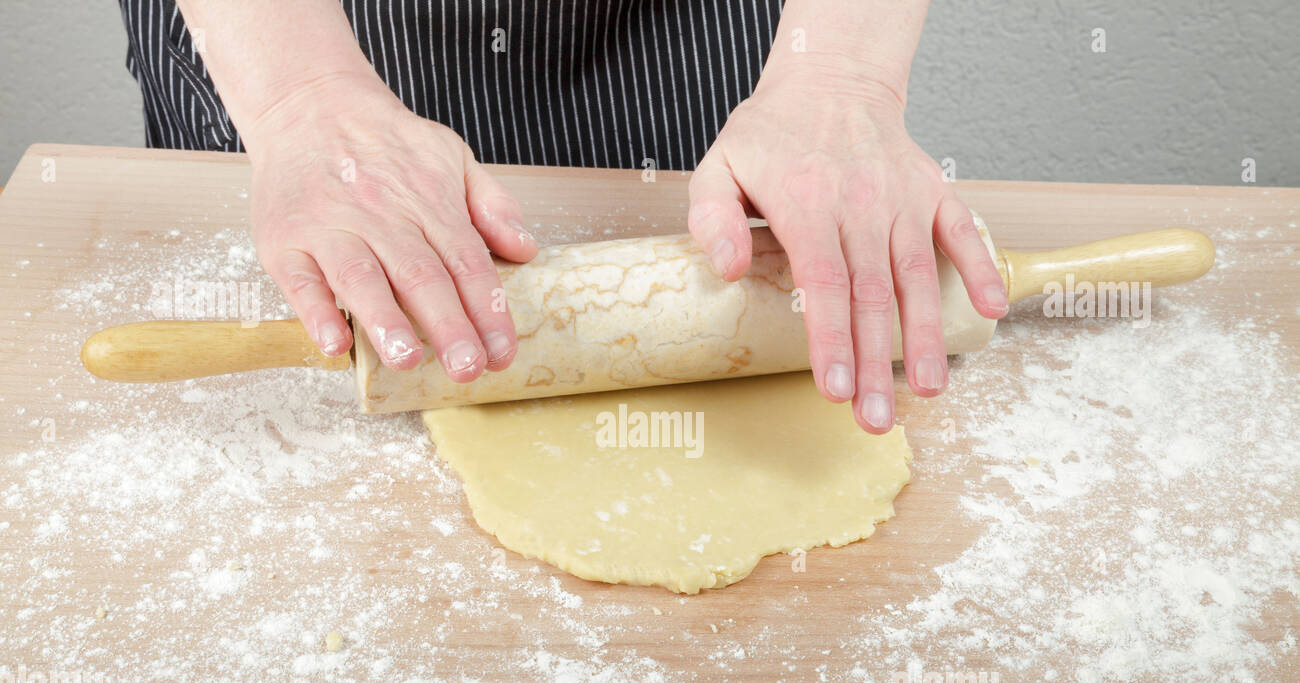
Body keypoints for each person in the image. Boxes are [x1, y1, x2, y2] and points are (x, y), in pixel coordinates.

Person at [118, 0, 1007, 434]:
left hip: (687, 36)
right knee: (352, 257)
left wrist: (842, 73)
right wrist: (300, 98)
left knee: (738, 262)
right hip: (296, 29)